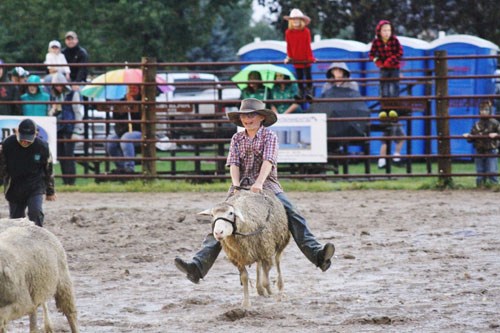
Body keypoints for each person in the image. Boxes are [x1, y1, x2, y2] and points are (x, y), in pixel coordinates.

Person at [174, 98, 335, 284]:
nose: (247, 119)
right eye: (244, 115)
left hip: (268, 185)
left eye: (251, 115)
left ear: (261, 118)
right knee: (220, 220)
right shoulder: (237, 138)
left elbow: (268, 161)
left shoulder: (269, 137)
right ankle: (197, 266)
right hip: (240, 185)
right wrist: (236, 186)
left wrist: (259, 183)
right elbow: (233, 163)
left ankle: (318, 255)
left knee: (293, 213)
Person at [0, 118, 56, 227]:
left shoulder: (43, 146)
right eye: (22, 139)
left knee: (35, 212)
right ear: (16, 131)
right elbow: (2, 168)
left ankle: (38, 237)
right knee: (16, 220)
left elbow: (48, 169)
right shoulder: (7, 144)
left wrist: (50, 191)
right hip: (14, 186)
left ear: (36, 134)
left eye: (28, 139)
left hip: (35, 185)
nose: (25, 142)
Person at [49, 73, 84, 185]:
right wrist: (53, 110)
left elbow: (77, 112)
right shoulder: (54, 96)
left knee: (69, 154)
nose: (58, 87)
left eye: (60, 85)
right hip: (58, 128)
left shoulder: (73, 94)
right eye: (56, 85)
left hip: (69, 127)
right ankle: (65, 181)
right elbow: (50, 114)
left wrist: (77, 130)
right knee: (61, 155)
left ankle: (71, 181)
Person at [369, 19, 403, 119]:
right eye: (384, 30)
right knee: (383, 88)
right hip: (383, 68)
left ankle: (393, 109)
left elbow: (400, 53)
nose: (387, 33)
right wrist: (378, 61)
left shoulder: (395, 40)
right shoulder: (376, 42)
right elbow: (371, 54)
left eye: (389, 30)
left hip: (394, 67)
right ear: (379, 31)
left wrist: (391, 60)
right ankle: (383, 110)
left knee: (393, 88)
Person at [105, 85, 142, 174]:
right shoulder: (121, 102)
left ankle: (129, 167)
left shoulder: (143, 101)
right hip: (123, 131)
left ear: (139, 89)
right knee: (110, 140)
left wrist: (133, 105)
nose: (132, 89)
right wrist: (126, 108)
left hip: (140, 132)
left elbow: (142, 120)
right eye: (130, 87)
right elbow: (116, 119)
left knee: (126, 138)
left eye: (135, 87)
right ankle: (121, 167)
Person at [463, 100, 500, 187]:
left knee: (492, 169)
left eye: (486, 110)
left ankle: (494, 185)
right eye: (482, 110)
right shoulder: (477, 124)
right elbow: (471, 138)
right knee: (480, 170)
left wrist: (497, 135)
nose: (484, 112)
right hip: (479, 149)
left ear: (490, 111)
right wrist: (469, 136)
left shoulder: (495, 123)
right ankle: (480, 186)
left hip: (491, 149)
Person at [284, 8, 315, 101]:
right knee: (299, 77)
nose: (295, 21)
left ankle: (309, 92)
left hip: (306, 57)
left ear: (302, 21)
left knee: (308, 76)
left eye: (298, 19)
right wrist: (288, 57)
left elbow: (308, 45)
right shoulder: (288, 32)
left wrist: (310, 57)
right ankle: (301, 92)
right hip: (296, 58)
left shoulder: (306, 31)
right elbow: (288, 46)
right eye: (293, 19)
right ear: (290, 21)